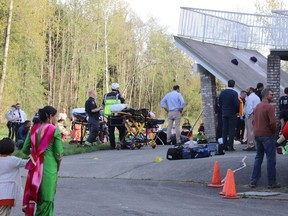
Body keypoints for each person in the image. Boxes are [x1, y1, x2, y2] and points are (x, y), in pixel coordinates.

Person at [22, 106, 63, 215]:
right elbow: (59, 154)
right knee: (47, 200)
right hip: (48, 168)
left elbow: (25, 149)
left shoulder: (33, 128)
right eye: (55, 116)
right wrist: (58, 166)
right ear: (50, 116)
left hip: (34, 168)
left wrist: (35, 153)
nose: (56, 119)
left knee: (38, 198)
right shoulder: (54, 130)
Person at [249, 88, 280, 189]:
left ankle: (253, 180)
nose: (273, 96)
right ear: (266, 95)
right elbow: (272, 122)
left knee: (258, 157)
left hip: (257, 134)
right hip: (267, 135)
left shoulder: (257, 106)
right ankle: (271, 182)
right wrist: (275, 131)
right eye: (271, 95)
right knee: (271, 158)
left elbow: (253, 121)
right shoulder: (269, 107)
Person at [0, 138, 28, 216]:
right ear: (12, 149)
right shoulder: (14, 160)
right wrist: (34, 154)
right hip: (8, 194)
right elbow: (29, 163)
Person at [102, 83, 126, 149]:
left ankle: (112, 146)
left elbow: (104, 104)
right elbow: (123, 103)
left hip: (109, 116)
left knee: (111, 131)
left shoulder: (106, 95)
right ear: (117, 89)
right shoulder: (118, 96)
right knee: (122, 130)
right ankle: (122, 144)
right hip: (118, 116)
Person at [218, 80, 239, 151]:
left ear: (227, 84)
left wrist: (223, 109)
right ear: (234, 85)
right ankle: (230, 145)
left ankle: (224, 145)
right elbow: (236, 104)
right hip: (232, 113)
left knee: (224, 129)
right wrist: (237, 111)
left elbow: (219, 102)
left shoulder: (222, 92)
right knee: (231, 129)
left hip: (224, 113)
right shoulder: (234, 93)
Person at [243, 87, 260, 151]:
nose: (246, 91)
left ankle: (251, 144)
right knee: (252, 130)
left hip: (251, 115)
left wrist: (248, 115)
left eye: (247, 90)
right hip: (256, 114)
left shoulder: (250, 97)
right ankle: (252, 144)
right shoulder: (257, 97)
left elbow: (249, 107)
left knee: (250, 130)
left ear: (250, 90)